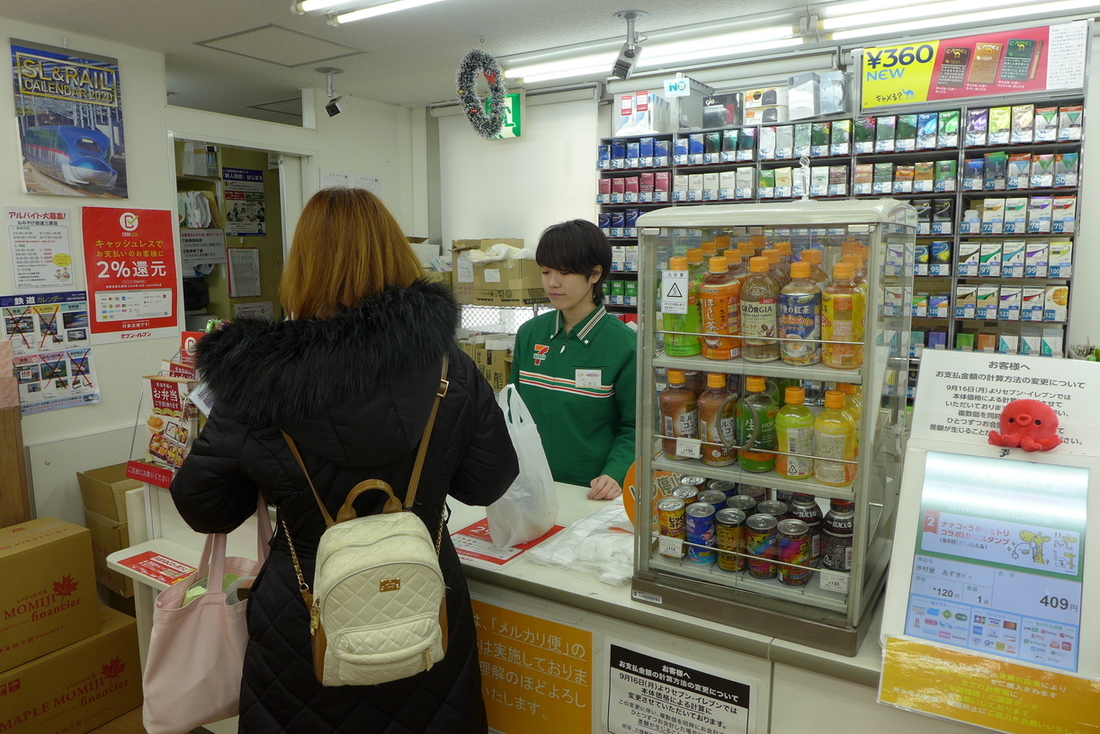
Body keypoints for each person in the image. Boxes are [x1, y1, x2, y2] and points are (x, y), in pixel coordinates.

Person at [170, 187, 519, 733]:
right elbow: (488, 481)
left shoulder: (255, 381)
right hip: (424, 598)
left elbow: (204, 507)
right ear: (395, 256)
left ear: (302, 267)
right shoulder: (447, 366)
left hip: (304, 614)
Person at [510, 219, 637, 500]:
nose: (552, 283)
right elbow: (512, 411)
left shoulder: (623, 345)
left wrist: (615, 473)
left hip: (590, 492)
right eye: (546, 271)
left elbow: (635, 425)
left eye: (565, 272)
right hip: (528, 485)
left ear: (595, 274)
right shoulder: (530, 334)